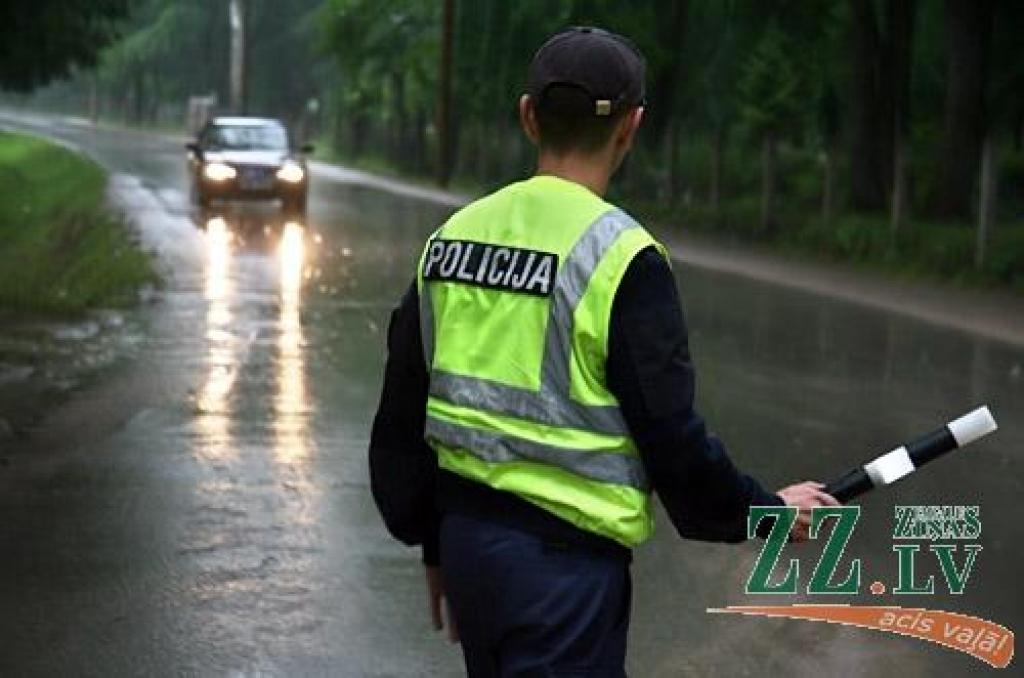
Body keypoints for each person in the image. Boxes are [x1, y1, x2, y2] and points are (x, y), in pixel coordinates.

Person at [369, 26, 838, 677]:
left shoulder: (451, 238)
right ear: (632, 127)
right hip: (565, 578)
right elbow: (672, 439)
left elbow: (402, 413)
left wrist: (434, 544)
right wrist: (764, 512)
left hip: (469, 552)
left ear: (528, 117)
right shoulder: (624, 260)